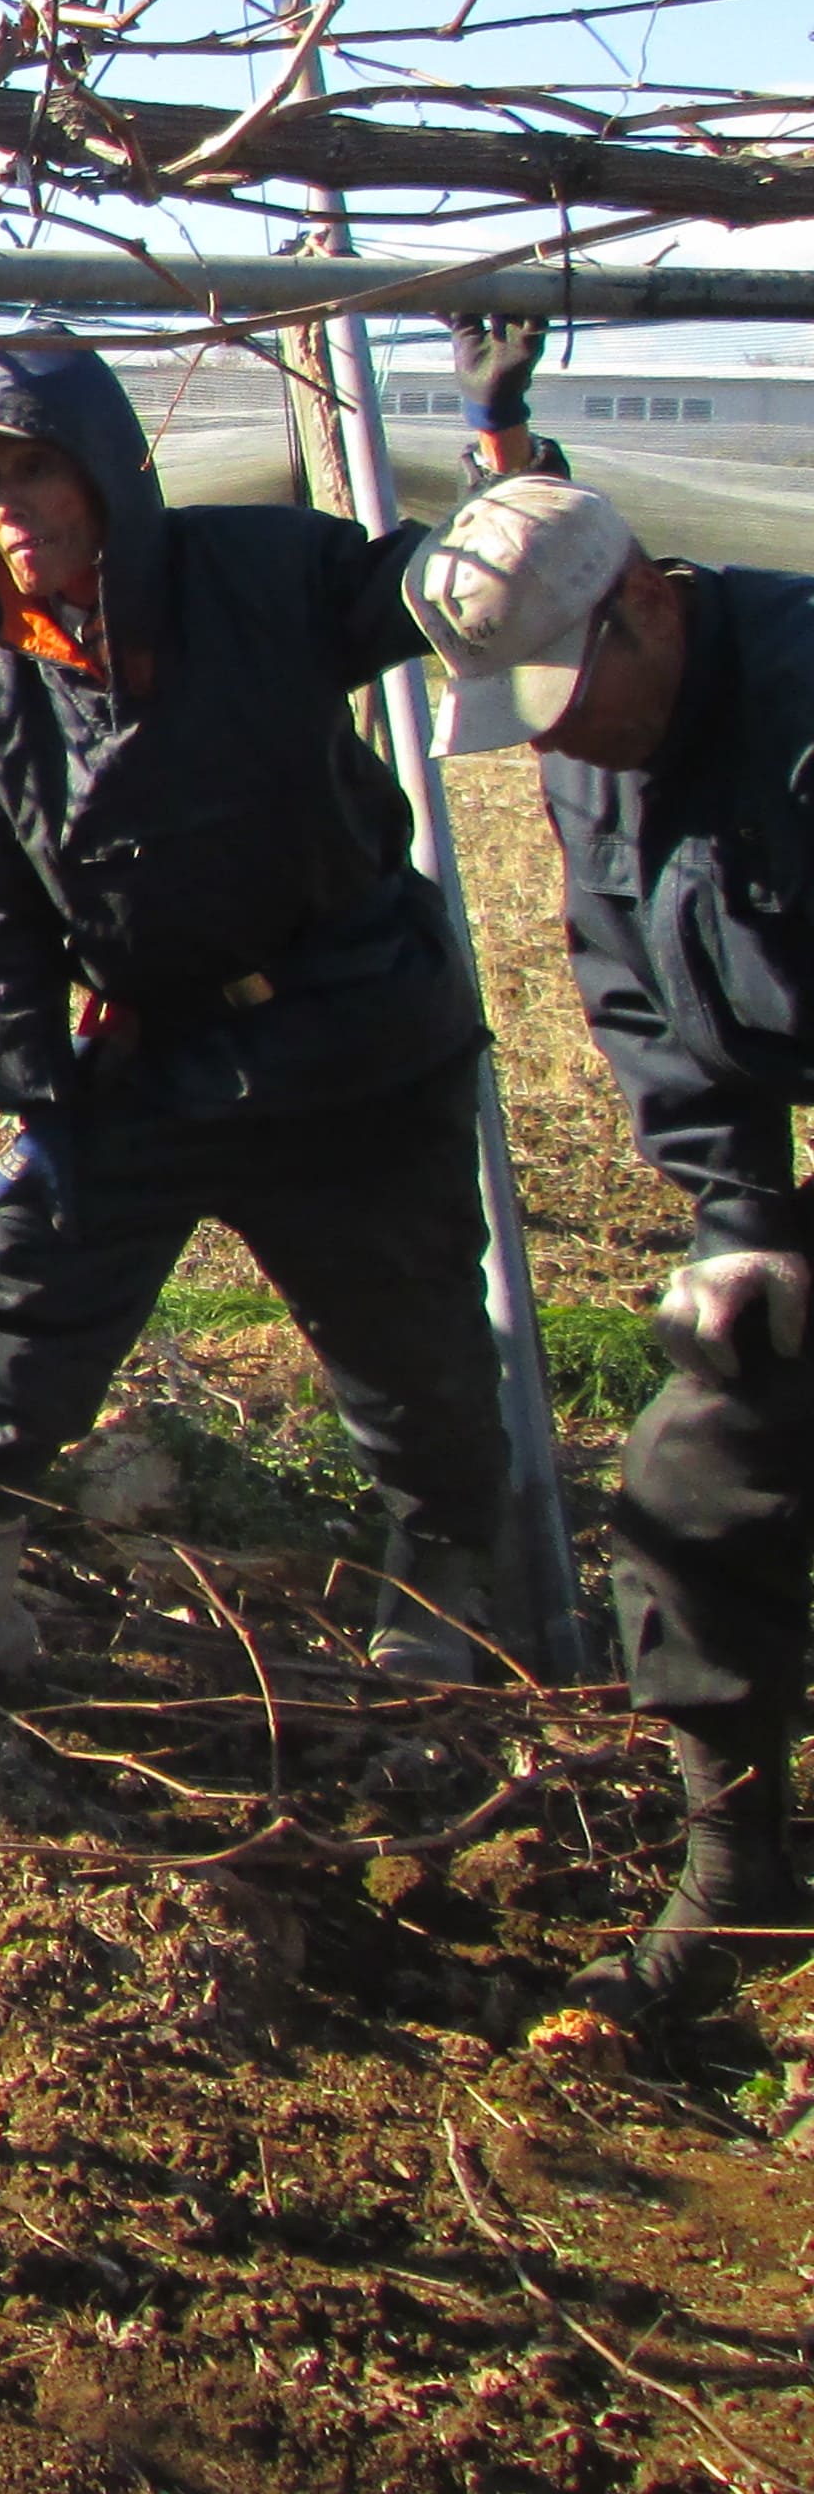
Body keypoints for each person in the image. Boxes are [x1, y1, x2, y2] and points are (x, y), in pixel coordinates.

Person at [0, 337, 516, 1726]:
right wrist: (33, 1065)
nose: (8, 509)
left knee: (414, 1348)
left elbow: (436, 588)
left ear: (106, 473)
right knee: (10, 1314)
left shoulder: (261, 573)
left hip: (350, 1043)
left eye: (33, 469)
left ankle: (441, 1592)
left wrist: (507, 459)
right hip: (145, 1057)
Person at [401, 461, 812, 2022]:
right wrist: (744, 1220)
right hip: (793, 1194)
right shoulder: (594, 739)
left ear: (648, 603)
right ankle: (740, 1884)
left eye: (571, 694)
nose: (559, 736)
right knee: (690, 1491)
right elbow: (631, 984)